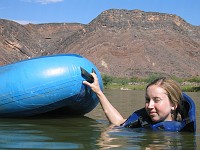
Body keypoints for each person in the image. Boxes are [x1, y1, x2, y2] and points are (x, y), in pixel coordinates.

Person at [83, 72, 196, 132]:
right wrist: (98, 92)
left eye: (157, 100)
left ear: (173, 105)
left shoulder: (180, 133)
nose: (150, 106)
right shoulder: (144, 121)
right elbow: (119, 123)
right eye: (147, 100)